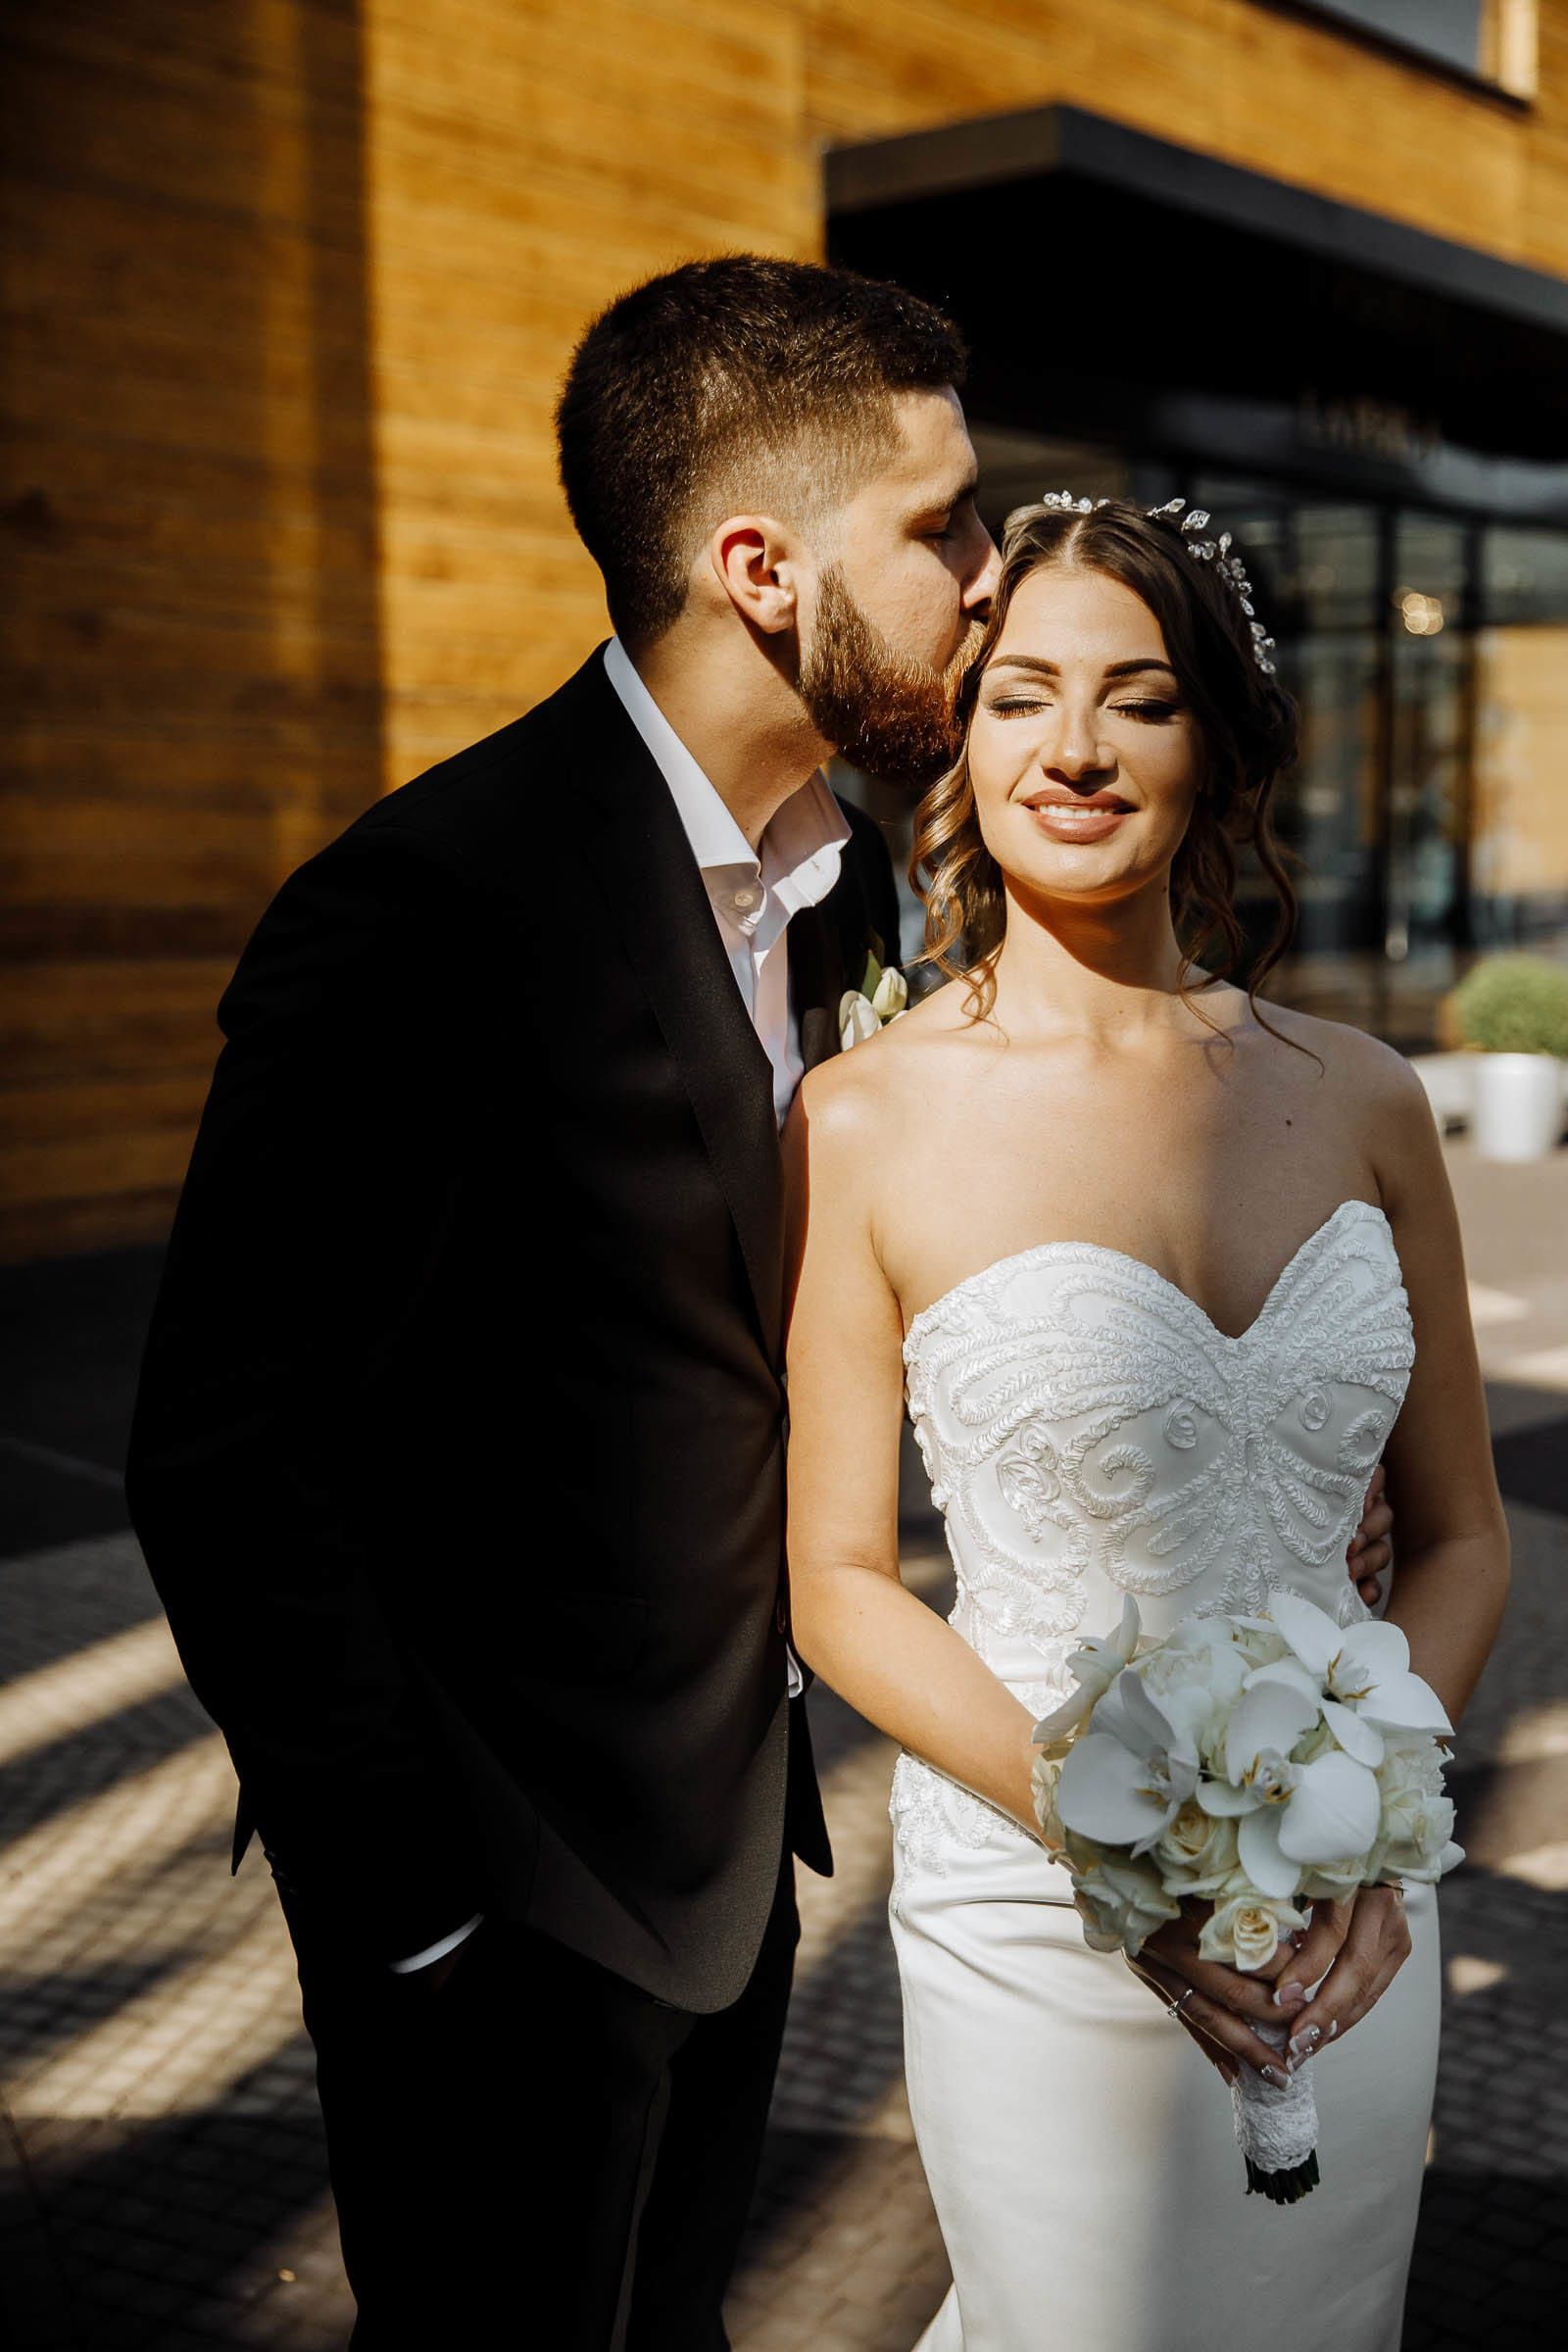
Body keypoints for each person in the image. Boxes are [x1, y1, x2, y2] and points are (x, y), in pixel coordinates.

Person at [125, 255, 1394, 2351]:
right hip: (501, 1908)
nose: (989, 583)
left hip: (733, 1862)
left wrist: (1258, 1446)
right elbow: (224, 1459)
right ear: (753, 566)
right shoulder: (425, 916)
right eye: (941, 527)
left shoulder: (851, 888)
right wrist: (421, 1921)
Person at [782, 496, 1508, 2351]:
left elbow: (1461, 1537)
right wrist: (1117, 1845)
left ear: (1222, 749)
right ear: (966, 739)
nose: (1079, 748)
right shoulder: (867, 1119)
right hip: (1036, 1908)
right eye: (1023, 696)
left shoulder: (1362, 1095)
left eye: (1142, 699)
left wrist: (1366, 1833)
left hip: (1347, 1917)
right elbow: (842, 1583)